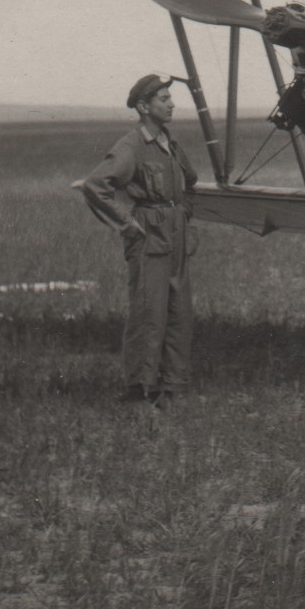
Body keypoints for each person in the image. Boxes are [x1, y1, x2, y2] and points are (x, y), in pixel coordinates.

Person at [78, 74, 199, 407]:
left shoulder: (169, 143)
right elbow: (96, 185)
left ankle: (172, 387)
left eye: (170, 98)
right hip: (149, 236)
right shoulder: (132, 145)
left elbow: (190, 181)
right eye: (163, 99)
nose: (172, 104)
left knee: (179, 313)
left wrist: (183, 214)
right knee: (148, 313)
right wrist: (128, 223)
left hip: (175, 235)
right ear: (144, 107)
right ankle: (138, 390)